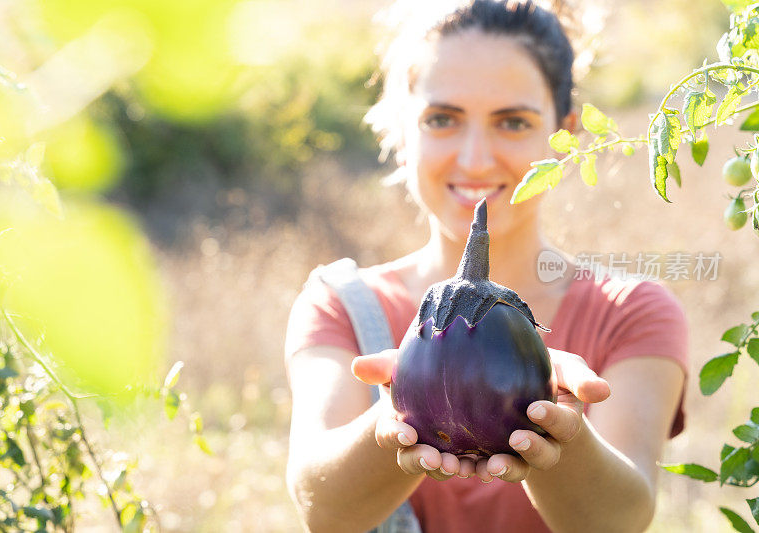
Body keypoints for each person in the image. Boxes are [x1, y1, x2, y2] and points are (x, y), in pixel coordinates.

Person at [284, 1, 688, 532]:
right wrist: (404, 411)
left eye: (513, 121)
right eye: (443, 119)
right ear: (402, 129)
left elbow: (622, 519)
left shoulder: (633, 313)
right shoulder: (340, 303)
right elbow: (323, 510)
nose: (475, 158)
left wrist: (557, 428)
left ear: (565, 135)